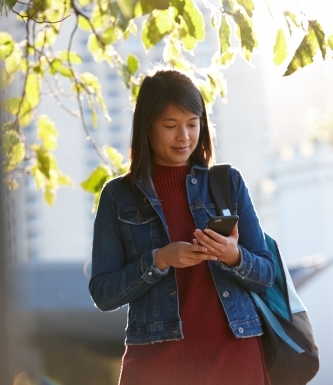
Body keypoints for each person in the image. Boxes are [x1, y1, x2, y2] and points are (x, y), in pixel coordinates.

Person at [89, 68, 276, 385]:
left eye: (193, 124)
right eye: (171, 126)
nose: (185, 136)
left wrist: (233, 256)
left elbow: (267, 274)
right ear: (147, 127)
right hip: (156, 363)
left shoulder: (227, 183)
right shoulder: (117, 196)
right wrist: (160, 260)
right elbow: (104, 294)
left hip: (235, 356)